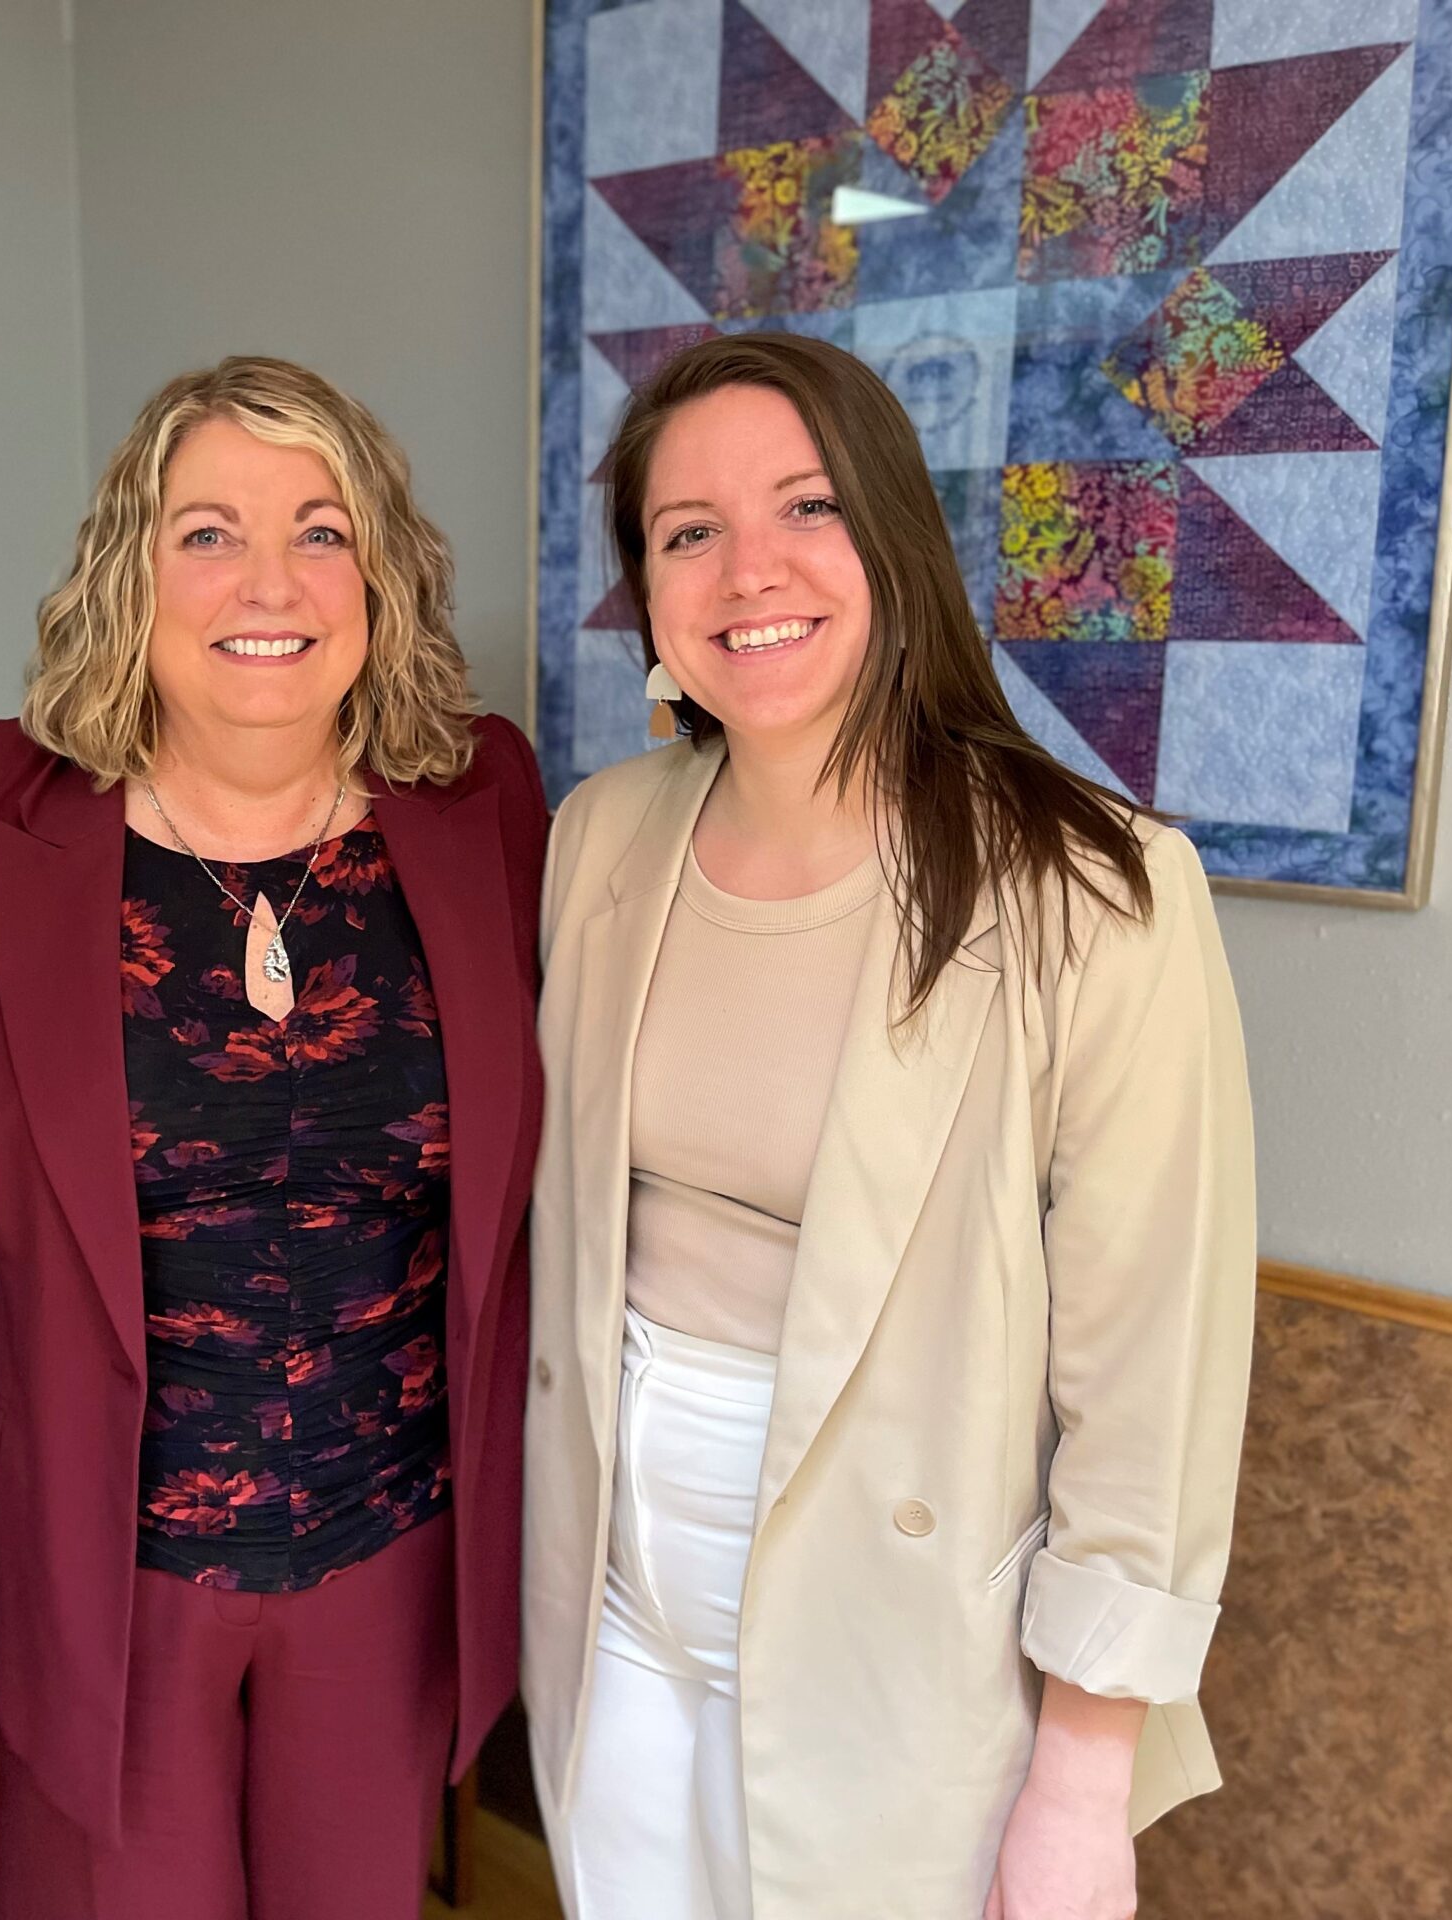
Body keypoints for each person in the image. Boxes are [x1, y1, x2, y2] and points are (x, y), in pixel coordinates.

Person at [522, 333, 1258, 1920]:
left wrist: (1081, 1775)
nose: (748, 571)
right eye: (687, 531)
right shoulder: (599, 838)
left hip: (901, 1613)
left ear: (895, 539)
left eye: (807, 507)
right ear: (647, 595)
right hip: (611, 1584)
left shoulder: (1097, 893)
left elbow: (1153, 1378)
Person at [0, 356, 546, 1920]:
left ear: (381, 576)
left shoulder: (483, 804)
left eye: (321, 531)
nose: (268, 582)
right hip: (94, 1575)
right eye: (207, 533)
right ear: (131, 571)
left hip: (392, 1553)